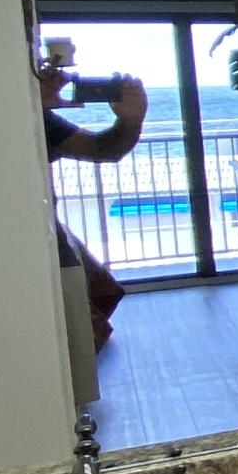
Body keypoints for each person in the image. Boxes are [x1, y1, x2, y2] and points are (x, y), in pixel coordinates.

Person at [38, 37, 149, 348]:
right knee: (78, 331)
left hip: (43, 230)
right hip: (15, 242)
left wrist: (131, 121)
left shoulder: (40, 120)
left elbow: (104, 149)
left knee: (87, 318)